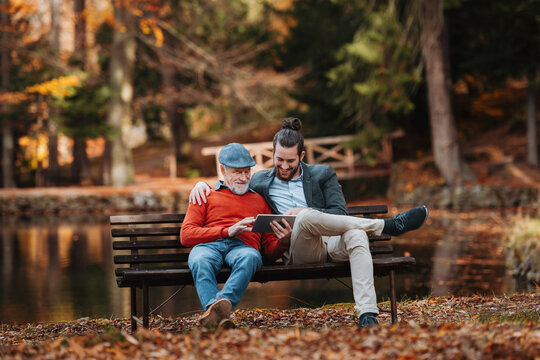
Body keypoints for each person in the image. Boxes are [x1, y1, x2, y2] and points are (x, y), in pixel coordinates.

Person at [189, 118, 428, 327]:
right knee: (304, 219)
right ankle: (386, 226)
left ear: (301, 156)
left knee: (355, 235)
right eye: (279, 159)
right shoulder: (259, 181)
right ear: (272, 153)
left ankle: (367, 315)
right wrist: (203, 185)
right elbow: (232, 183)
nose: (283, 166)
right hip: (301, 247)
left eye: (290, 161)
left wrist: (307, 209)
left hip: (334, 240)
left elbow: (339, 212)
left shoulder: (323, 174)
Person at [180, 143, 288, 329]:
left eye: (247, 172)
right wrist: (227, 231)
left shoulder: (260, 201)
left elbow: (269, 251)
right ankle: (219, 315)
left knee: (252, 257)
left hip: (242, 248)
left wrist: (283, 243)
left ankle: (214, 313)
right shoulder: (205, 194)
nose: (244, 177)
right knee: (199, 259)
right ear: (223, 170)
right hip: (209, 246)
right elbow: (186, 235)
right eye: (238, 172)